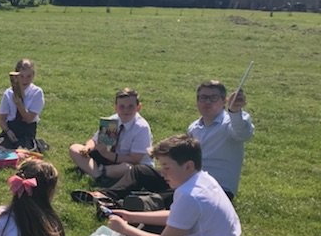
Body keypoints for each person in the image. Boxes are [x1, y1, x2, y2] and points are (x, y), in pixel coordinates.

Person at [96, 134, 241, 236]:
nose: (162, 172)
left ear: (188, 166)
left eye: (166, 167)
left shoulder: (189, 195)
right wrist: (131, 216)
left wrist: (125, 228)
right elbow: (175, 216)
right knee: (145, 228)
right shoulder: (203, 180)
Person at [87, 80, 254, 206]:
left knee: (179, 196)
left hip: (215, 190)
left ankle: (137, 205)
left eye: (213, 98)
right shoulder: (195, 127)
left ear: (224, 101)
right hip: (187, 180)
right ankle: (105, 196)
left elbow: (243, 132)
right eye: (203, 97)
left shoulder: (232, 123)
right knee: (141, 171)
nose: (207, 102)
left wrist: (235, 111)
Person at [68, 88, 153, 184]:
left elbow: (135, 159)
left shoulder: (141, 127)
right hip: (109, 159)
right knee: (74, 148)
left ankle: (94, 170)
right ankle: (99, 174)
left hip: (130, 163)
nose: (126, 110)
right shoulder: (113, 121)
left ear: (138, 107)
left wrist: (107, 155)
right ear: (115, 107)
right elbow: (95, 140)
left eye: (130, 106)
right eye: (122, 106)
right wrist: (87, 147)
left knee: (127, 168)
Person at [0, 58, 44, 151]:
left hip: (27, 129)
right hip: (11, 127)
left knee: (23, 151)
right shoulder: (8, 93)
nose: (25, 80)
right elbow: (2, 119)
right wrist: (8, 131)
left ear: (33, 75)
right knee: (1, 150)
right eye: (21, 76)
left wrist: (19, 104)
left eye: (28, 76)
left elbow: (29, 119)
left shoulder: (36, 92)